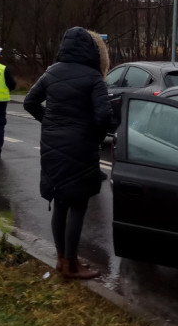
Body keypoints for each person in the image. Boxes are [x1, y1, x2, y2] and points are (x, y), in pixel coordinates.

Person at [23, 28, 113, 279]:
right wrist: (95, 136)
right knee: (79, 203)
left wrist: (49, 123)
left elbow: (29, 102)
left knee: (60, 201)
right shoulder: (94, 77)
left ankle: (61, 260)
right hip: (81, 146)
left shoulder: (51, 72)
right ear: (90, 50)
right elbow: (104, 115)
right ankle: (73, 265)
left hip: (51, 145)